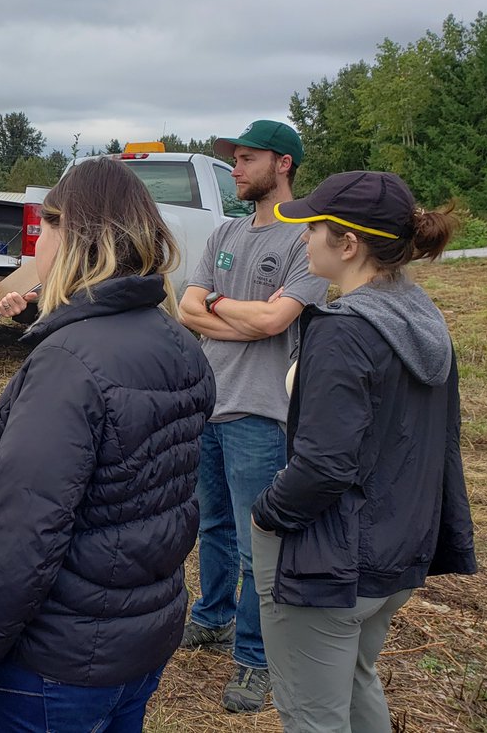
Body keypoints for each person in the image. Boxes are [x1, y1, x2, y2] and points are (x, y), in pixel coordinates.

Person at [0, 158, 216, 733]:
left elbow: (22, 536)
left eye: (46, 229)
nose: (38, 245)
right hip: (139, 642)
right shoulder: (178, 342)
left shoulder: (68, 367)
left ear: (74, 235)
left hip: (55, 665)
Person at [251, 171, 476, 732]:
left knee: (312, 716)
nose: (302, 239)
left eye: (312, 229)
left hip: (330, 561)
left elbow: (324, 464)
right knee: (355, 678)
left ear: (347, 244)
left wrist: (267, 515)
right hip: (398, 550)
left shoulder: (344, 331)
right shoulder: (420, 318)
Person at [177, 119, 330, 713]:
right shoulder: (225, 230)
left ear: (283, 164)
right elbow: (188, 307)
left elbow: (276, 323)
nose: (235, 168)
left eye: (247, 158)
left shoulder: (306, 242)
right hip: (208, 407)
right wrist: (226, 308)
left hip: (262, 414)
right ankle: (211, 617)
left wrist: (220, 308)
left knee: (255, 545)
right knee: (210, 527)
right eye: (234, 159)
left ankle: (255, 658)